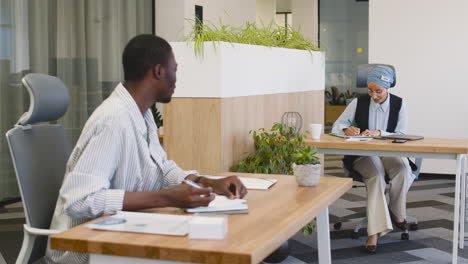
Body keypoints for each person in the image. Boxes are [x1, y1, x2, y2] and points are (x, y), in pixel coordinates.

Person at [45, 34, 247, 263]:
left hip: (120, 235)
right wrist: (166, 197)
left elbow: (162, 170)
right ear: (159, 71)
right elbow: (79, 200)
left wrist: (205, 181)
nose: (176, 78)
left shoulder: (142, 113)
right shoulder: (113, 120)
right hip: (84, 251)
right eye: (175, 69)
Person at [331, 65, 414, 253]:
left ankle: (397, 212)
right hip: (364, 155)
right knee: (376, 174)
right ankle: (374, 232)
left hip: (390, 152)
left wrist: (380, 133)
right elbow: (338, 125)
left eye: (379, 91)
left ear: (388, 88)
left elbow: (401, 133)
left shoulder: (400, 104)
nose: (374, 95)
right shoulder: (358, 102)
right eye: (370, 90)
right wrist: (346, 129)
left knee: (403, 168)